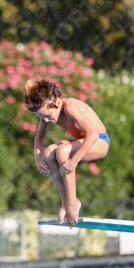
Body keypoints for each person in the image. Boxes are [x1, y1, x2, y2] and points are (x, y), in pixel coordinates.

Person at [23, 78, 110, 228]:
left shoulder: (70, 107)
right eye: (42, 117)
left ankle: (72, 203)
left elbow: (93, 134)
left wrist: (74, 160)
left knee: (63, 152)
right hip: (83, 140)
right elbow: (40, 137)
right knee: (49, 152)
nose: (47, 120)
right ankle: (65, 202)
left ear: (56, 102)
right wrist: (38, 158)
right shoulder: (47, 112)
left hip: (100, 141)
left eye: (48, 116)